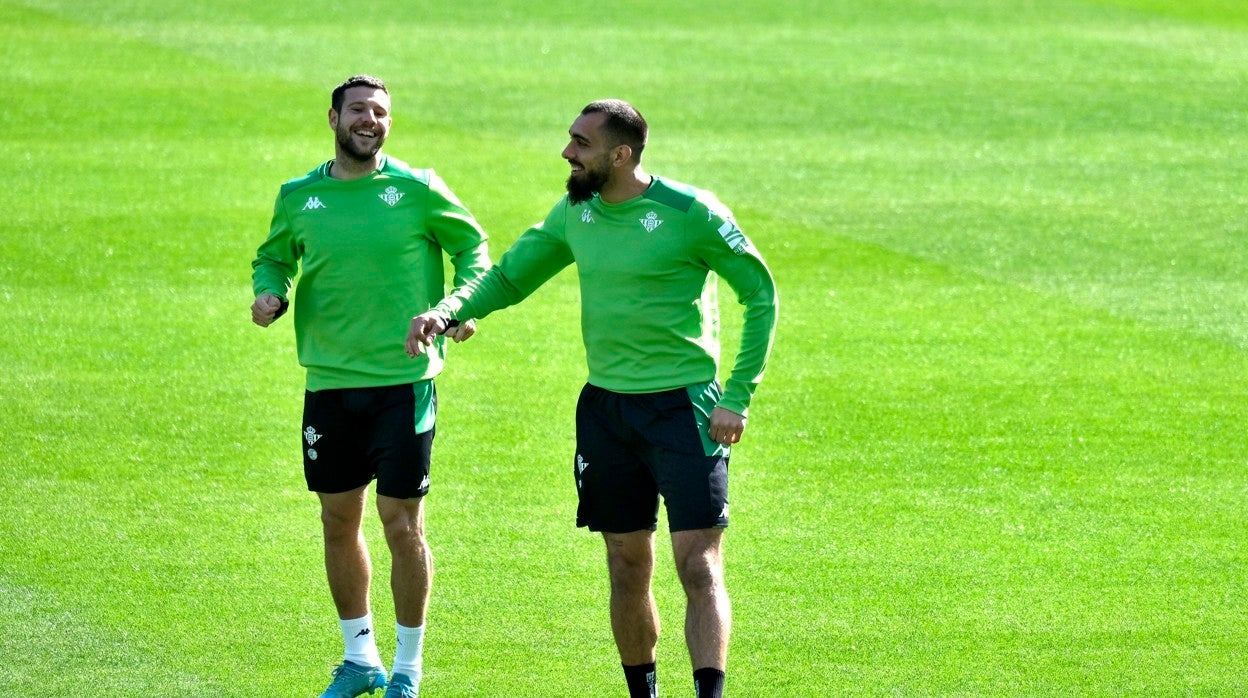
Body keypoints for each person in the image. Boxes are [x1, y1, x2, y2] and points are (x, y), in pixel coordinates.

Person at [406, 99, 778, 698]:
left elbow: (760, 295)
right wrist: (449, 310)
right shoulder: (575, 214)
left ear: (620, 154)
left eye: (580, 143)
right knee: (627, 565)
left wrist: (738, 396)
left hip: (685, 409)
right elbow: (507, 278)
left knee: (698, 566)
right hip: (607, 411)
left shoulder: (692, 212)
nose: (567, 152)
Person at [251, 74, 490, 698]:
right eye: (358, 109)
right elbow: (274, 255)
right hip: (329, 382)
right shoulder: (299, 195)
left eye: (380, 111)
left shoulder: (418, 189)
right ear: (333, 117)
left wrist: (458, 307)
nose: (370, 119)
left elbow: (476, 253)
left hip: (403, 383)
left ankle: (407, 669)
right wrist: (268, 290)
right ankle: (360, 660)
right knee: (338, 519)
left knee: (400, 523)